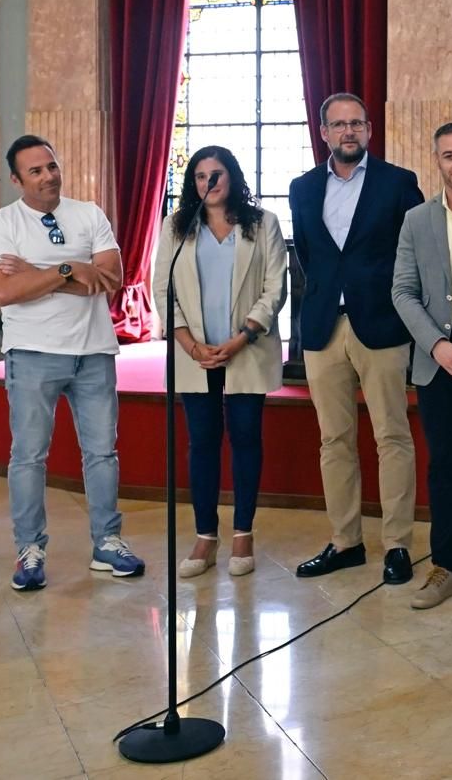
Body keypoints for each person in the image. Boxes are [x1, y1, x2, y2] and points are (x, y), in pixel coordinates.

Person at [0, 135, 145, 591]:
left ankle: (108, 542)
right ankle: (29, 550)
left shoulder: (89, 214)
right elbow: (5, 292)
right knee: (29, 456)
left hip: (93, 351)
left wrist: (37, 274)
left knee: (102, 452)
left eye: (51, 166)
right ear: (17, 180)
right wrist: (70, 269)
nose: (48, 176)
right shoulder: (2, 224)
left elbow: (111, 279)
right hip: (32, 353)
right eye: (35, 171)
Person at [290, 92, 425, 585]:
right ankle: (345, 541)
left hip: (383, 323)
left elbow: (414, 251)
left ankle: (397, 545)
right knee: (334, 439)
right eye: (339, 124)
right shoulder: (303, 188)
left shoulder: (398, 182)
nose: (349, 131)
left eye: (357, 123)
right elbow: (308, 255)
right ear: (324, 132)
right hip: (324, 326)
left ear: (369, 130)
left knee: (392, 435)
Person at [151, 146, 287, 579]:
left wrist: (243, 336)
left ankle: (243, 532)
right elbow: (162, 288)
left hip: (246, 349)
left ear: (232, 178)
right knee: (202, 441)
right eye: (200, 176)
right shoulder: (177, 226)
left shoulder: (262, 223)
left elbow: (275, 287)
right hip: (196, 354)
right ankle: (205, 536)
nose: (208, 182)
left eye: (216, 174)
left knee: (245, 438)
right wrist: (189, 345)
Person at [391, 122, 452, 609]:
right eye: (448, 155)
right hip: (438, 354)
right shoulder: (416, 220)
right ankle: (444, 567)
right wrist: (437, 345)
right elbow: (402, 291)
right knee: (444, 463)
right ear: (437, 161)